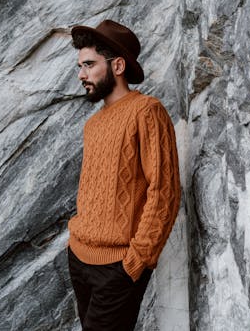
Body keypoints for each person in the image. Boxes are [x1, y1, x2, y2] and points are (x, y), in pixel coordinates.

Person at [67, 19, 181, 331]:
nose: (81, 74)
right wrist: (74, 246)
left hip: (118, 267)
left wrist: (138, 259)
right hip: (79, 258)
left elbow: (165, 190)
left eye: (89, 64)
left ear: (117, 66)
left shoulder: (146, 111)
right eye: (80, 66)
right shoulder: (94, 124)